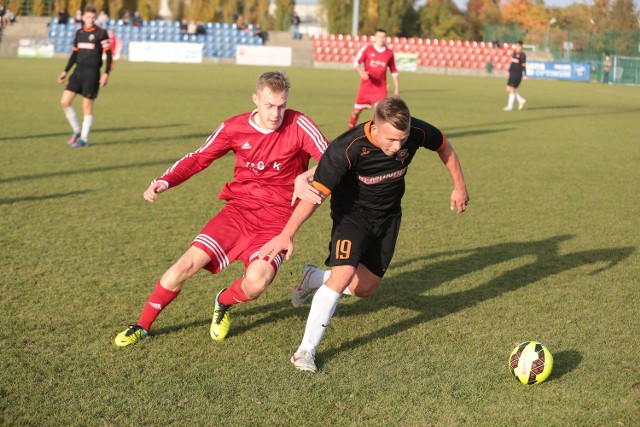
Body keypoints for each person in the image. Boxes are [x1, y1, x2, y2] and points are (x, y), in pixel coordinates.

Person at [113, 71, 330, 348]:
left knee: (256, 283)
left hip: (276, 222)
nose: (276, 113)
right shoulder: (233, 128)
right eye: (269, 105)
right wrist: (165, 180)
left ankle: (223, 301)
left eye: (281, 105)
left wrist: (306, 175)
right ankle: (142, 325)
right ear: (255, 99)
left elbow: (333, 159)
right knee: (183, 266)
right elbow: (199, 157)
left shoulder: (299, 124)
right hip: (238, 213)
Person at [259, 96, 469, 373]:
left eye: (402, 139)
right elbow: (315, 196)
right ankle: (305, 351)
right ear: (376, 126)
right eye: (391, 140)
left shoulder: (414, 132)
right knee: (344, 275)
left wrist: (460, 186)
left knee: (364, 289)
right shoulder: (346, 148)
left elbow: (444, 145)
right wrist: (287, 234)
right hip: (351, 217)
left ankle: (313, 278)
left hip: (388, 217)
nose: (398, 147)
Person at [57, 6, 112, 148]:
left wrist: (106, 73)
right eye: (88, 17)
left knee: (86, 106)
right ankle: (77, 130)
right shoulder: (79, 33)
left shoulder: (101, 33)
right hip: (77, 72)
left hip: (92, 73)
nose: (91, 20)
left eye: (93, 17)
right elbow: (75, 54)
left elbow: (109, 55)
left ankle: (84, 139)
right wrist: (65, 71)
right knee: (64, 102)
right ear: (83, 18)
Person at [349, 29, 399, 129]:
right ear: (375, 37)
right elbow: (356, 62)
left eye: (383, 37)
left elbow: (393, 70)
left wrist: (397, 87)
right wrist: (361, 72)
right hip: (366, 86)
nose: (381, 39)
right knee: (356, 111)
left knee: (380, 112)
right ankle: (350, 128)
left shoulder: (389, 53)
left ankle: (371, 132)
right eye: (379, 36)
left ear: (386, 38)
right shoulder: (367, 49)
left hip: (380, 87)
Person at [503, 40, 527, 111]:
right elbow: (512, 63)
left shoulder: (522, 55)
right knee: (508, 89)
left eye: (518, 46)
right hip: (512, 73)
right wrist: (508, 72)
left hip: (517, 73)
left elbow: (524, 66)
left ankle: (510, 107)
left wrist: (525, 74)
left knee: (512, 89)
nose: (517, 47)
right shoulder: (514, 53)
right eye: (516, 45)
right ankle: (520, 100)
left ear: (521, 46)